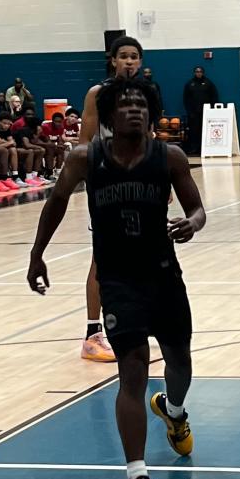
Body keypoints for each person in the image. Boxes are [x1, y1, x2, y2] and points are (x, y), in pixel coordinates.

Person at [27, 78, 206, 479]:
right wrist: (36, 254)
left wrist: (192, 223)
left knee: (181, 361)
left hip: (164, 275)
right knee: (133, 369)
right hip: (118, 280)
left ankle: (175, 411)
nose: (134, 110)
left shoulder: (170, 157)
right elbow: (57, 202)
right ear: (108, 115)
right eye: (125, 104)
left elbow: (199, 209)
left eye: (142, 104)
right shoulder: (86, 158)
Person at [78, 35, 144, 363]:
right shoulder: (98, 94)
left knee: (137, 258)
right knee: (101, 260)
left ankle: (127, 329)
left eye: (135, 56)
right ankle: (92, 334)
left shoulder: (145, 93)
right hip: (107, 186)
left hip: (139, 186)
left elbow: (148, 139)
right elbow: (84, 142)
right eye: (124, 56)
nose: (129, 61)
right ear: (113, 60)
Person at [183, 66, 218, 154]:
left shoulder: (208, 83)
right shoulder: (190, 84)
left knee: (205, 130)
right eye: (197, 71)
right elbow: (186, 99)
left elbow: (214, 96)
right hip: (193, 113)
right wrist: (189, 111)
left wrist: (212, 110)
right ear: (194, 72)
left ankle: (205, 148)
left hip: (206, 113)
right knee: (194, 131)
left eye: (200, 71)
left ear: (203, 72)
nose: (198, 73)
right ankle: (194, 148)